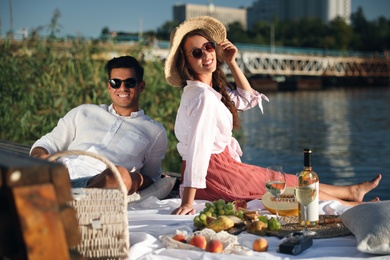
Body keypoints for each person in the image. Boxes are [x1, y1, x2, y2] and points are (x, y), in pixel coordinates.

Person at [164, 16, 382, 215]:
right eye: (196, 53)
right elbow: (198, 149)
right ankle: (356, 207)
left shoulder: (208, 91)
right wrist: (187, 202)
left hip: (219, 170)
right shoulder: (203, 97)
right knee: (285, 185)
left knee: (284, 180)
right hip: (214, 175)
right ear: (186, 62)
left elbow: (246, 98)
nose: (206, 55)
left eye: (208, 47)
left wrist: (231, 62)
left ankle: (350, 192)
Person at [30, 55, 168, 194]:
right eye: (116, 83)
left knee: (120, 175)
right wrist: (40, 157)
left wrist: (132, 180)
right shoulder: (84, 112)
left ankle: (72, 200)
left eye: (129, 83)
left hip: (98, 184)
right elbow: (46, 144)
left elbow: (152, 176)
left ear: (141, 86)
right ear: (109, 86)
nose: (122, 88)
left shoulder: (154, 131)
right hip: (59, 173)